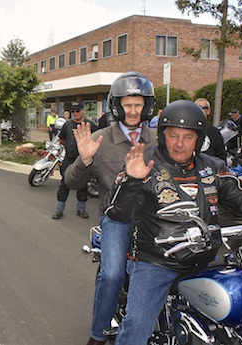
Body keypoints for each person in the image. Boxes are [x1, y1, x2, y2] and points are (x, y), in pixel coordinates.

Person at [103, 99, 242, 345]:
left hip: (205, 257)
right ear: (163, 135)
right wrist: (131, 181)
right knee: (136, 328)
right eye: (173, 135)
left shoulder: (212, 168)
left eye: (188, 137)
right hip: (156, 261)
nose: (180, 144)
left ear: (199, 139)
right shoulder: (144, 164)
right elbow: (115, 211)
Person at [64, 71, 157, 345]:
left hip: (153, 218)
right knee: (112, 274)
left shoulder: (158, 139)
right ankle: (98, 334)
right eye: (127, 104)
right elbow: (70, 181)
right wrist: (84, 159)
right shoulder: (100, 139)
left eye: (138, 104)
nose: (132, 110)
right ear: (117, 106)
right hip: (117, 219)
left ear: (147, 106)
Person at [52, 101, 97, 219]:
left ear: (83, 111)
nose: (75, 113)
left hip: (83, 161)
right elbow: (62, 140)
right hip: (69, 160)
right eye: (73, 111)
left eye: (77, 111)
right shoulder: (67, 125)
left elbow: (96, 140)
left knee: (83, 185)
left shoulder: (90, 125)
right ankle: (59, 210)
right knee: (64, 184)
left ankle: (81, 209)